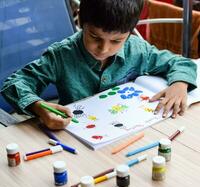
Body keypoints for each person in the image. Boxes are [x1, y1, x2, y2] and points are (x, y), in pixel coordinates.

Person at [1, 0, 197, 130]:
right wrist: (38, 107)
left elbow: (178, 62)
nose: (103, 49)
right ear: (81, 20)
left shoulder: (137, 49)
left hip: (125, 128)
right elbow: (14, 84)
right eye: (95, 37)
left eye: (116, 41)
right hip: (76, 132)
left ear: (129, 32)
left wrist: (179, 84)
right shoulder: (61, 56)